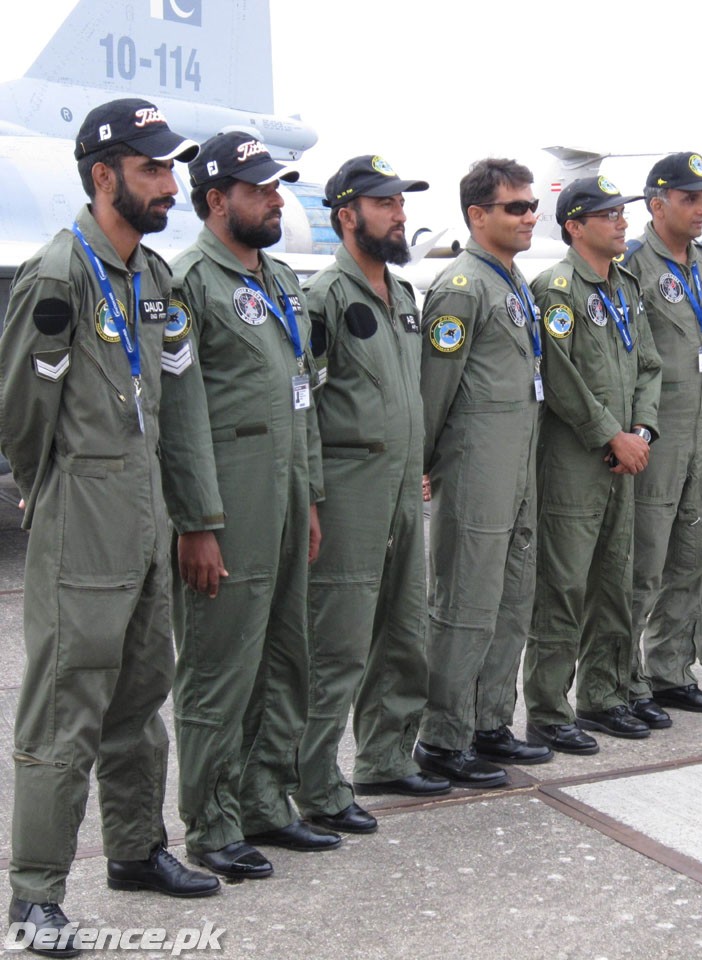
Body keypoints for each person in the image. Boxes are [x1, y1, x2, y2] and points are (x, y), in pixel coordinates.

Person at [0, 97, 217, 953]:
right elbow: (21, 412)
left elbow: (176, 405)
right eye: (152, 167)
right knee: (66, 708)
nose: (169, 183)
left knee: (139, 699)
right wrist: (50, 489)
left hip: (144, 523)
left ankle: (135, 851)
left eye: (170, 167)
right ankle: (34, 898)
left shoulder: (153, 279)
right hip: (83, 521)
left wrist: (192, 518)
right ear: (103, 176)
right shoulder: (60, 275)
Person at [160, 131, 337, 880]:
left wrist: (314, 497)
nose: (276, 199)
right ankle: (211, 823)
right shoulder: (187, 284)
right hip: (229, 509)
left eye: (278, 186)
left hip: (288, 496)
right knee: (218, 671)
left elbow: (305, 402)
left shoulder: (281, 280)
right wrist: (196, 522)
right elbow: (180, 412)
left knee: (284, 660)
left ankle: (267, 800)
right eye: (260, 188)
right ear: (215, 199)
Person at [293, 155, 449, 835]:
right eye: (384, 203)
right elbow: (305, 405)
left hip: (399, 484)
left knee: (403, 629)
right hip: (349, 486)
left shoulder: (405, 296)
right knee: (341, 640)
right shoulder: (324, 299)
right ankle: (315, 780)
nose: (399, 214)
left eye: (402, 202)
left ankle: (386, 755)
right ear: (347, 214)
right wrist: (313, 496)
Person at [415, 159, 552, 787]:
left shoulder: (511, 281)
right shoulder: (462, 288)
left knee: (510, 599)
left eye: (530, 206)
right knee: (466, 603)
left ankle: (489, 723)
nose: (529, 216)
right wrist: (423, 466)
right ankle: (443, 737)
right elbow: (433, 392)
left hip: (517, 462)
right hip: (475, 469)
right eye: (515, 207)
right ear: (477, 215)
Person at [523, 176, 662, 750]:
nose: (622, 222)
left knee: (614, 580)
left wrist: (641, 430)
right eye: (607, 215)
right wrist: (609, 433)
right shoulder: (556, 289)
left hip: (622, 459)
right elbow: (559, 375)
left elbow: (650, 365)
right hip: (574, 463)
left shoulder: (624, 287)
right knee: (563, 586)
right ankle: (549, 710)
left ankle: (605, 695)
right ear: (575, 226)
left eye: (622, 213)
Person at [622, 152, 702, 722]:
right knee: (643, 562)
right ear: (657, 203)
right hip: (655, 435)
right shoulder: (635, 264)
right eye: (690, 198)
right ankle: (624, 679)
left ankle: (669, 670)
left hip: (701, 434)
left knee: (693, 556)